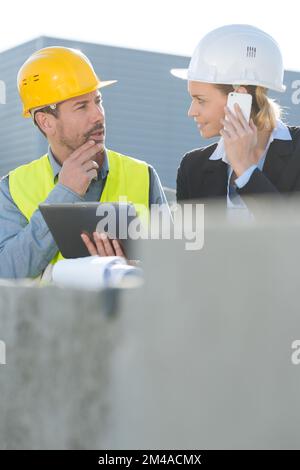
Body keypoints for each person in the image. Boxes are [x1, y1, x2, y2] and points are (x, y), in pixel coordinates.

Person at [0, 46, 168, 279]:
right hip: (48, 316)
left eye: (98, 101)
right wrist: (66, 192)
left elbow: (173, 268)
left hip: (126, 315)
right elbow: (6, 273)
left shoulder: (143, 176)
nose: (98, 115)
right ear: (46, 122)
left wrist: (134, 270)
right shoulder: (13, 188)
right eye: (82, 106)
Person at [172, 24, 300, 214]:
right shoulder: (192, 167)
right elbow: (188, 243)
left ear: (238, 99)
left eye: (200, 100)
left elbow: (290, 236)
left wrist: (245, 168)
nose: (191, 111)